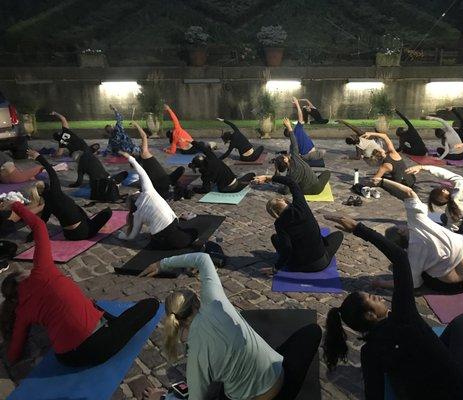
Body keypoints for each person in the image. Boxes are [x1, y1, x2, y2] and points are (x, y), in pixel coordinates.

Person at [322, 214, 463, 400]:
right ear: (371, 316)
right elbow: (399, 258)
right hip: (462, 393)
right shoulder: (404, 317)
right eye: (373, 298)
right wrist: (358, 228)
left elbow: (374, 394)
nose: (380, 299)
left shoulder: (368, 352)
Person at [139, 252, 322, 400]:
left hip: (255, 394)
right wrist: (162, 263)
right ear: (196, 302)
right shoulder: (214, 301)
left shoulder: (196, 353)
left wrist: (162, 398)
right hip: (279, 376)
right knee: (312, 331)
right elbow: (203, 258)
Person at [0, 201, 159, 367]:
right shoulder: (42, 271)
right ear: (20, 279)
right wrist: (16, 206)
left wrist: (9, 351)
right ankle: (112, 323)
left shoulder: (21, 310)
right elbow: (39, 225)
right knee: (151, 304)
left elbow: (14, 353)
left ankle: (109, 323)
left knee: (92, 305)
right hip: (98, 345)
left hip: (68, 359)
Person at [374, 178, 463, 294]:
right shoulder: (419, 222)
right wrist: (381, 181)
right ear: (401, 232)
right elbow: (409, 193)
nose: (400, 225)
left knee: (423, 274)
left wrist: (381, 283)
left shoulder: (413, 257)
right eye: (398, 227)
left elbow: (411, 284)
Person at [253, 174, 343, 272]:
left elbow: (287, 248)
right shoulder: (300, 205)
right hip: (320, 263)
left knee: (275, 238)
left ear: (274, 213)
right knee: (339, 235)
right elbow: (292, 183)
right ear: (285, 201)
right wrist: (267, 178)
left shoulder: (279, 224)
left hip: (297, 265)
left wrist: (276, 268)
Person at [117, 152, 199, 250]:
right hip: (171, 231)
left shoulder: (137, 214)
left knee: (184, 236)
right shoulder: (149, 192)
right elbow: (142, 172)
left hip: (162, 238)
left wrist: (121, 235)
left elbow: (131, 237)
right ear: (137, 195)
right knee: (194, 232)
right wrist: (130, 158)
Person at [26, 149, 112, 241]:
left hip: (68, 235)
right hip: (83, 232)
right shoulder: (56, 193)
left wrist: (30, 237)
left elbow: (42, 222)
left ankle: (90, 224)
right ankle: (94, 226)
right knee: (107, 212)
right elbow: (52, 173)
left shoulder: (47, 205)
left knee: (76, 210)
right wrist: (38, 157)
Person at [405, 165, 463, 235]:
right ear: (444, 189)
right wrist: (422, 167)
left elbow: (451, 228)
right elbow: (445, 174)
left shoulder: (450, 210)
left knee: (444, 218)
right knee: (447, 218)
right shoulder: (461, 184)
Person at [268, 118, 330, 195]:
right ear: (285, 160)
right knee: (327, 172)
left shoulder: (289, 176)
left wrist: (278, 187)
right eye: (283, 156)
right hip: (316, 188)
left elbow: (285, 191)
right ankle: (315, 179)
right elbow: (294, 142)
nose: (285, 155)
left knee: (300, 182)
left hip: (303, 191)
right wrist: (289, 127)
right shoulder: (295, 157)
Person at [131, 121, 192, 199]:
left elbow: (144, 136)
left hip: (162, 183)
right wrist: (136, 125)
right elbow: (144, 136)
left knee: (181, 170)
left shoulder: (142, 160)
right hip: (164, 181)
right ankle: (178, 191)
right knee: (181, 170)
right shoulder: (144, 155)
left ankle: (177, 191)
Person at [188, 141, 255, 194]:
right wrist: (192, 142)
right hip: (232, 180)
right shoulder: (211, 157)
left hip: (228, 187)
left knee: (250, 176)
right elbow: (203, 149)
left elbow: (206, 189)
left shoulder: (205, 174)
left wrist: (195, 189)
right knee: (251, 175)